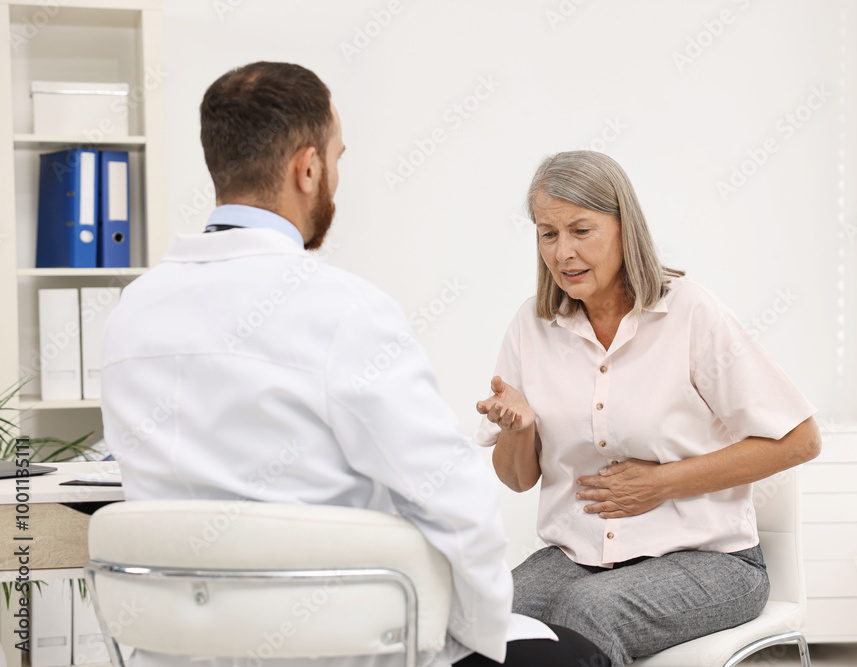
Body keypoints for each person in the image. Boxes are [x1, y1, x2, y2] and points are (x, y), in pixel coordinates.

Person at [100, 62, 609, 667]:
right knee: (577, 655)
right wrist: (481, 634)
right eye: (336, 158)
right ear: (308, 168)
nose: (336, 178)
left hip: (178, 652)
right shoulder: (342, 310)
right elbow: (455, 504)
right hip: (338, 650)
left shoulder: (131, 314)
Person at [475, 150, 821, 667]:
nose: (563, 252)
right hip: (582, 557)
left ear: (624, 227)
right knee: (481, 616)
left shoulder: (690, 313)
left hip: (711, 562)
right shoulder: (532, 326)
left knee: (587, 613)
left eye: (581, 230)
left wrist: (662, 483)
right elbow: (517, 479)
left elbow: (801, 440)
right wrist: (519, 429)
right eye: (548, 234)